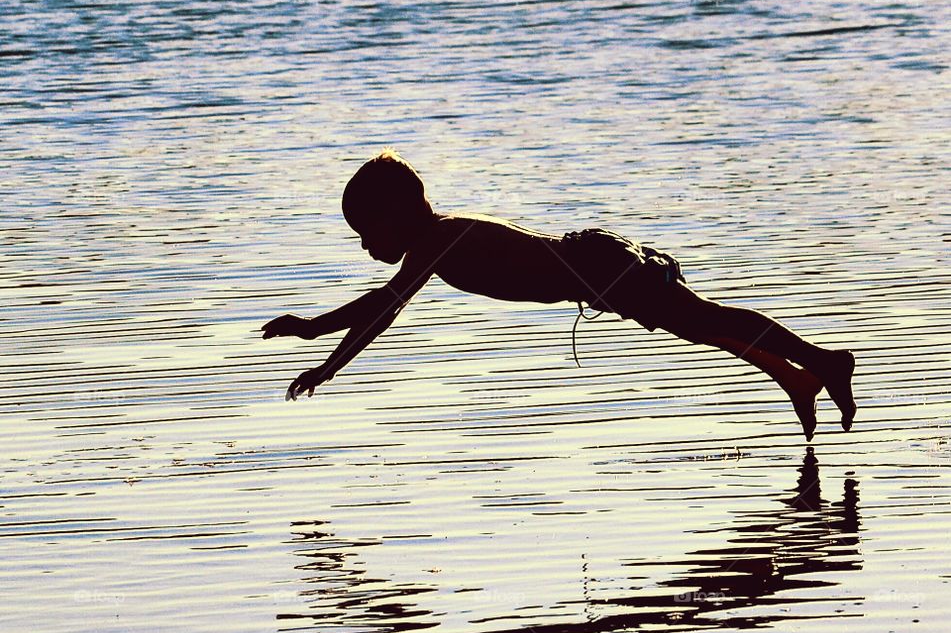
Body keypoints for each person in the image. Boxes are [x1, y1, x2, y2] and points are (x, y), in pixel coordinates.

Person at [262, 151, 855, 439]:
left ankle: (824, 362)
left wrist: (320, 342)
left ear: (398, 215)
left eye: (368, 233)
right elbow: (383, 306)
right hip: (600, 267)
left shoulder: (437, 243)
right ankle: (799, 377)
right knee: (701, 326)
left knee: (705, 321)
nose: (366, 247)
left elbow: (379, 309)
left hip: (603, 268)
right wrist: (324, 351)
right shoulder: (435, 244)